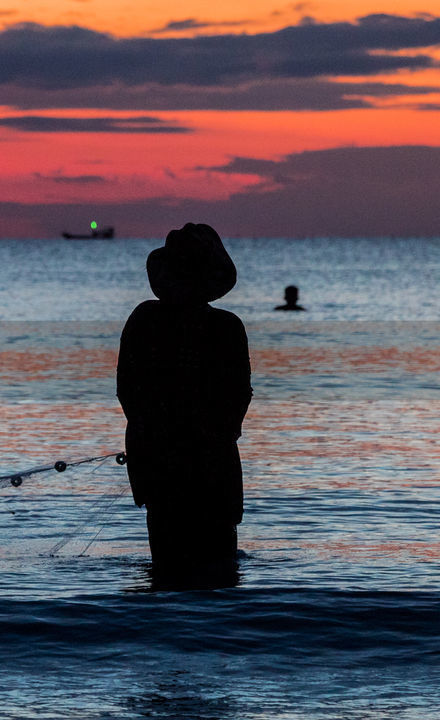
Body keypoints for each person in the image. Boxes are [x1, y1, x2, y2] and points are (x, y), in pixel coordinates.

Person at [117, 223, 252, 579]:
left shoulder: (145, 320)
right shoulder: (227, 327)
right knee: (220, 573)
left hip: (161, 457)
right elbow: (239, 396)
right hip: (208, 459)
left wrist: (156, 433)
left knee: (166, 569)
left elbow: (128, 390)